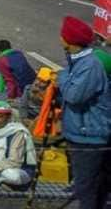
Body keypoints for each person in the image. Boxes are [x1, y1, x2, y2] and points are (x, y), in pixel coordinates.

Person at [57, 16, 111, 209]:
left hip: (89, 136)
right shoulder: (78, 60)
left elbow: (74, 95)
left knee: (86, 188)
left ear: (68, 40)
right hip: (82, 132)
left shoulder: (89, 64)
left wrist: (61, 77)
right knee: (94, 185)